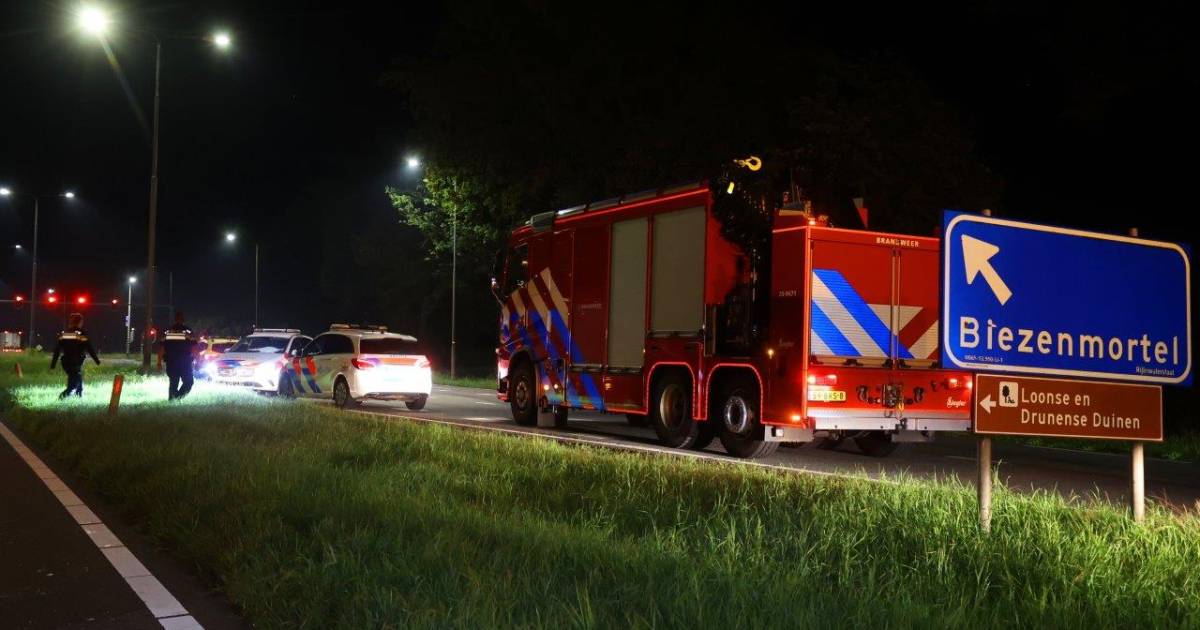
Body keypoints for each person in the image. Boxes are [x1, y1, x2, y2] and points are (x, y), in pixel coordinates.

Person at [49, 313, 100, 399]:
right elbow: (89, 348)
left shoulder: (65, 334)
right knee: (73, 385)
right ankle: (61, 398)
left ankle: (78, 397)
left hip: (66, 362)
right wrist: (97, 361)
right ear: (80, 322)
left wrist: (53, 364)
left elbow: (57, 351)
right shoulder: (82, 334)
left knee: (78, 378)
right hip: (75, 362)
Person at [159, 311, 199, 400]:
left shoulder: (167, 331)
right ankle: (177, 398)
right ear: (183, 319)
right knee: (188, 382)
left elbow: (161, 348)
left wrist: (159, 362)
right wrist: (198, 361)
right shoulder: (188, 332)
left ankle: (173, 400)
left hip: (171, 362)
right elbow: (194, 348)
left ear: (175, 319)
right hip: (185, 362)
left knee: (173, 383)